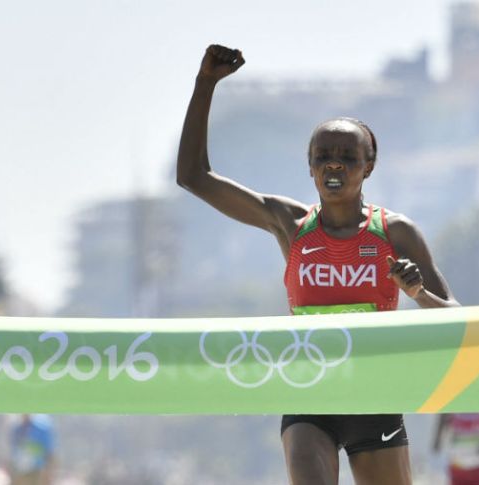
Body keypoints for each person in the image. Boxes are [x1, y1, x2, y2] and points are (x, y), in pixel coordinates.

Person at [177, 44, 459, 485]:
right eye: (323, 155)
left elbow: (458, 321)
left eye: (348, 157)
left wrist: (418, 294)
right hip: (310, 397)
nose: (334, 163)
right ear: (309, 167)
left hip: (374, 398)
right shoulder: (289, 223)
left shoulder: (396, 233)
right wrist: (205, 84)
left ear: (369, 166)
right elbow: (193, 177)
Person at [8, 414, 56, 485]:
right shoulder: (17, 429)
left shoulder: (42, 429)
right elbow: (14, 450)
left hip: (37, 470)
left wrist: (48, 471)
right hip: (20, 469)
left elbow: (49, 452)